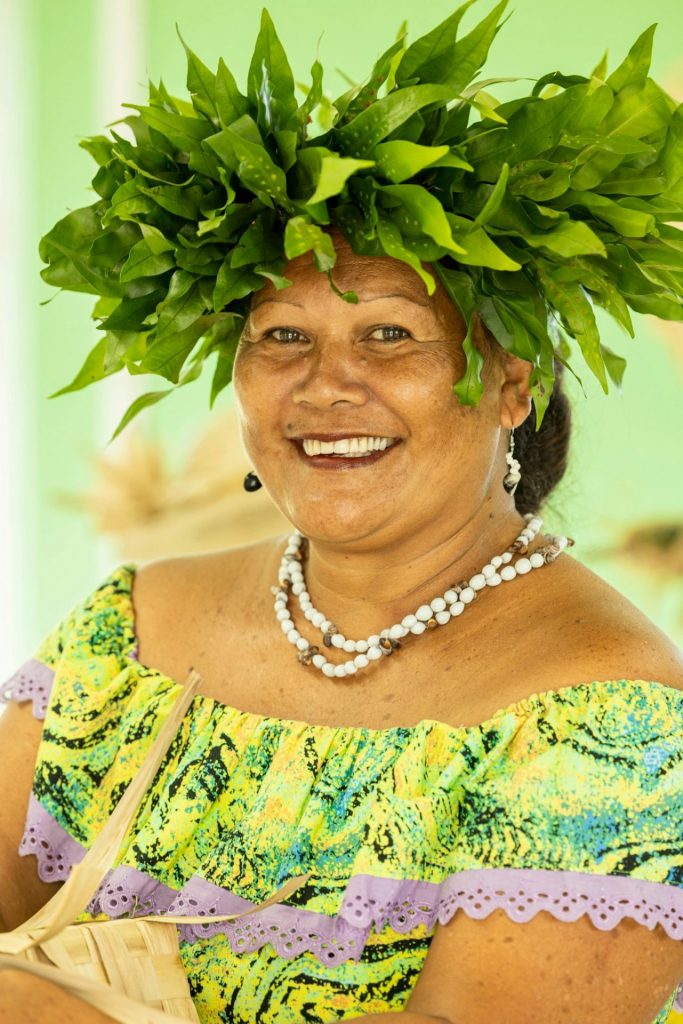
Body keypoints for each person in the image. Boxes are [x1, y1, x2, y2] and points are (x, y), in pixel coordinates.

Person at [1, 5, 683, 1023]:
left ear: (510, 385)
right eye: (282, 334)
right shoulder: (129, 629)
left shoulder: (606, 720)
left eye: (389, 335)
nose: (327, 385)